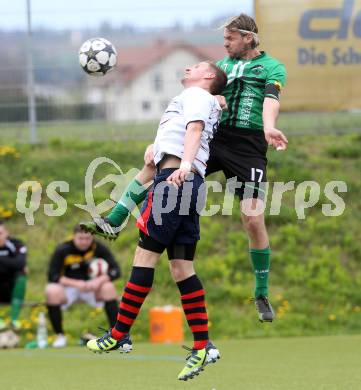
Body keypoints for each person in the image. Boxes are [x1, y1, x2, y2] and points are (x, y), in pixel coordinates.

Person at [81, 13, 288, 323]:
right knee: (158, 163)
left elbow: (270, 99)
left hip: (248, 148)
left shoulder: (272, 67)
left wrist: (269, 127)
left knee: (253, 219)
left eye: (229, 38)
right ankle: (116, 217)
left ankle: (261, 291)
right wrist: (164, 142)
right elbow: (202, 101)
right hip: (215, 139)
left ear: (248, 37)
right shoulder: (222, 67)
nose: (225, 43)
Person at [86, 61, 227, 381]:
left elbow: (195, 129)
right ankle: (203, 345)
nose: (189, 66)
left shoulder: (196, 95)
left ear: (208, 78)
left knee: (144, 257)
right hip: (188, 184)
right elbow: (154, 162)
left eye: (197, 66)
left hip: (175, 182)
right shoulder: (201, 99)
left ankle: (120, 333)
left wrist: (184, 164)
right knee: (181, 268)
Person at [45, 224, 122, 348]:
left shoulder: (98, 248)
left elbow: (116, 271)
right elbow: (53, 276)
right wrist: (77, 284)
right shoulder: (63, 249)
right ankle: (60, 336)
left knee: (108, 287)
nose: (84, 242)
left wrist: (98, 281)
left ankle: (116, 336)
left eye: (88, 238)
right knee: (51, 290)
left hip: (93, 288)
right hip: (69, 289)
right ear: (74, 236)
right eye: (81, 238)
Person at [0, 221, 27, 331]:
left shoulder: (16, 244)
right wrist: (10, 262)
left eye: (0, 233)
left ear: (7, 233)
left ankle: (14, 319)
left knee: (21, 275)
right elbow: (14, 264)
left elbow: (20, 264)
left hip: (11, 288)